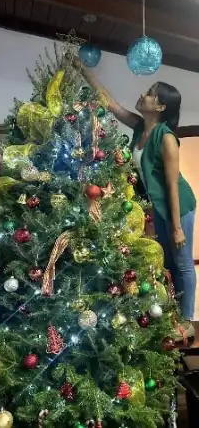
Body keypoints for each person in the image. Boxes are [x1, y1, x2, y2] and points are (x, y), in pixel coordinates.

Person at [78, 61, 197, 337]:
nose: (144, 94)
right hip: (159, 207)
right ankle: (171, 316)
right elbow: (111, 104)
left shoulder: (166, 138)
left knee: (182, 264)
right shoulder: (140, 127)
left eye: (151, 93)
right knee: (165, 263)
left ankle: (187, 322)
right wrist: (85, 71)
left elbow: (172, 186)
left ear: (161, 107)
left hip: (178, 206)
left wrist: (177, 226)